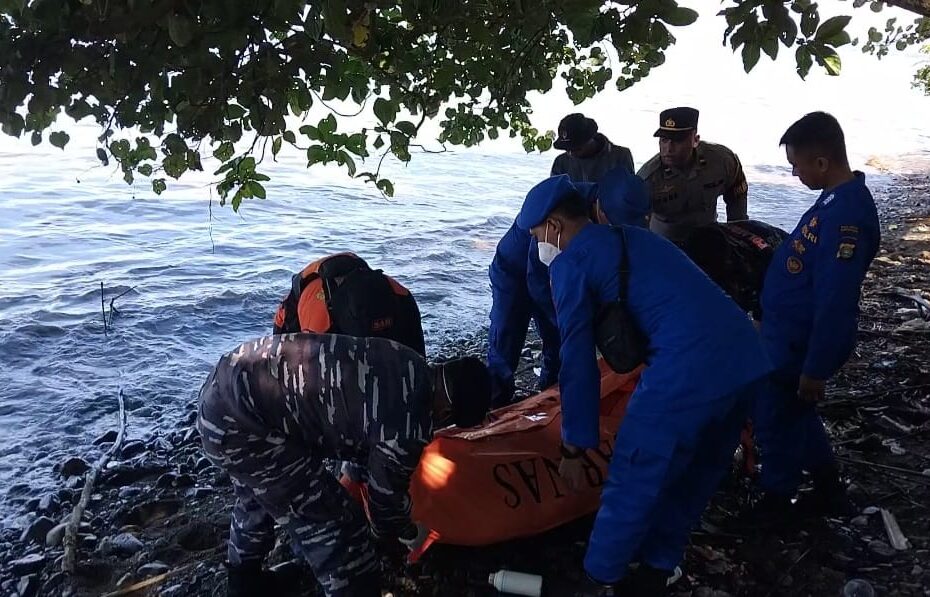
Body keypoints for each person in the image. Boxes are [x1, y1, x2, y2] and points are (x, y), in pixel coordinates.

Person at [515, 175, 771, 595]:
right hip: (745, 358)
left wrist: (575, 445)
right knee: (697, 474)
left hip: (688, 368)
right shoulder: (634, 236)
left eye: (536, 234)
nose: (538, 243)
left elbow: (576, 360)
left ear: (554, 226)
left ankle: (601, 578)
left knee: (634, 472)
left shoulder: (570, 264)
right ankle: (656, 569)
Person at [198, 333, 491, 597]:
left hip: (226, 385)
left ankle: (245, 582)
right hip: (244, 427)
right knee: (340, 529)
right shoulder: (411, 424)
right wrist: (409, 532)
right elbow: (384, 508)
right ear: (448, 410)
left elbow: (357, 423)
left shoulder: (408, 359)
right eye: (447, 421)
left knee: (259, 490)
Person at [749, 112, 880, 521]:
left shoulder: (847, 214)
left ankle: (776, 501)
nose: (793, 172)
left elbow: (836, 296)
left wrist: (817, 367)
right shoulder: (833, 200)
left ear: (822, 163)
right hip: (785, 334)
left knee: (774, 418)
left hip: (798, 343)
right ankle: (826, 485)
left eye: (797, 164)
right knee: (795, 414)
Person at [487, 172, 648, 406]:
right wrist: (569, 321)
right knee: (507, 337)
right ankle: (494, 403)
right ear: (601, 210)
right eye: (615, 224)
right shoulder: (560, 213)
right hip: (515, 271)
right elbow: (539, 282)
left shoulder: (616, 204)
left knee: (560, 345)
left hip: (552, 271)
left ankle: (551, 396)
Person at [273, 252, 425, 356]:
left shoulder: (401, 297)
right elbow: (311, 375)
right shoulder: (320, 318)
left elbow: (419, 359)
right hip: (296, 316)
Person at [638, 107, 749, 243]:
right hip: (666, 245)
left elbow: (737, 191)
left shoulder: (721, 161)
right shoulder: (648, 178)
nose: (668, 149)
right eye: (664, 140)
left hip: (710, 239)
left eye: (677, 141)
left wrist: (737, 233)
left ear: (695, 140)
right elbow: (635, 223)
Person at [679, 220, 788, 318]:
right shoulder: (696, 242)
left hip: (788, 258)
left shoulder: (757, 270)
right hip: (749, 235)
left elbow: (763, 319)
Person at [551, 113, 635, 182]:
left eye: (577, 148)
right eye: (567, 149)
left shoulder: (621, 156)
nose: (571, 153)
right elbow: (554, 197)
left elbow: (629, 194)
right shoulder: (560, 162)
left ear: (590, 139)